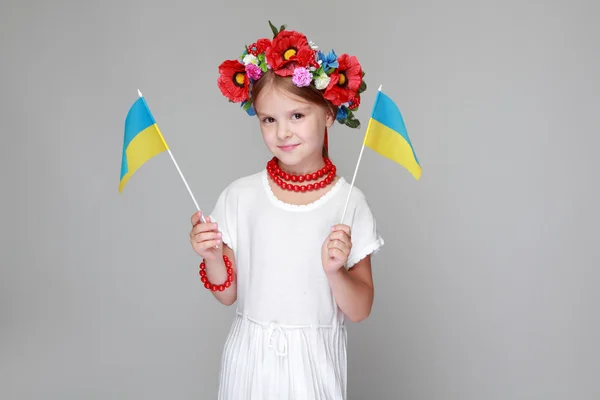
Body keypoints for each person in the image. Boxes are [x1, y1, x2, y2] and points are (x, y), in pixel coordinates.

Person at [189, 22, 384, 400]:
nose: (283, 133)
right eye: (269, 120)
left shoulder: (350, 203)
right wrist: (213, 255)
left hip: (312, 366)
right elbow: (228, 294)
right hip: (251, 361)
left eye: (297, 116)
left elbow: (359, 309)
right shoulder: (240, 196)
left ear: (328, 113)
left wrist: (335, 271)